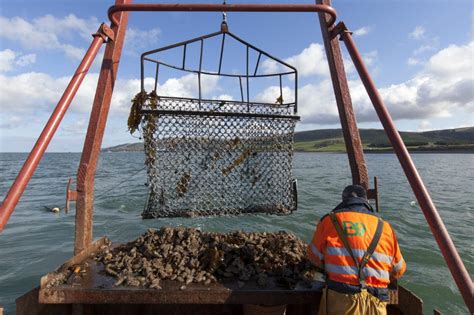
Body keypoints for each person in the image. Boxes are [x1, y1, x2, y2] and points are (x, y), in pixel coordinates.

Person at [307, 185, 406, 315]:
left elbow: (314, 257)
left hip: (342, 299)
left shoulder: (329, 221)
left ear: (343, 200)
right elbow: (399, 270)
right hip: (376, 301)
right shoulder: (385, 227)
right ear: (366, 201)